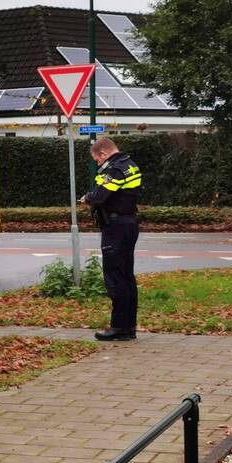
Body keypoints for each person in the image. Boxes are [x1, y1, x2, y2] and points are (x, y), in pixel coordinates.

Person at [80, 137, 142, 341]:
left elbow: (100, 196)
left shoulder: (113, 169)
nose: (97, 163)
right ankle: (129, 326)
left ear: (103, 154)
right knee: (127, 277)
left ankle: (118, 328)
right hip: (129, 223)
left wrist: (87, 198)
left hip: (115, 227)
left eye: (96, 159)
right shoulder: (131, 165)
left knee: (115, 278)